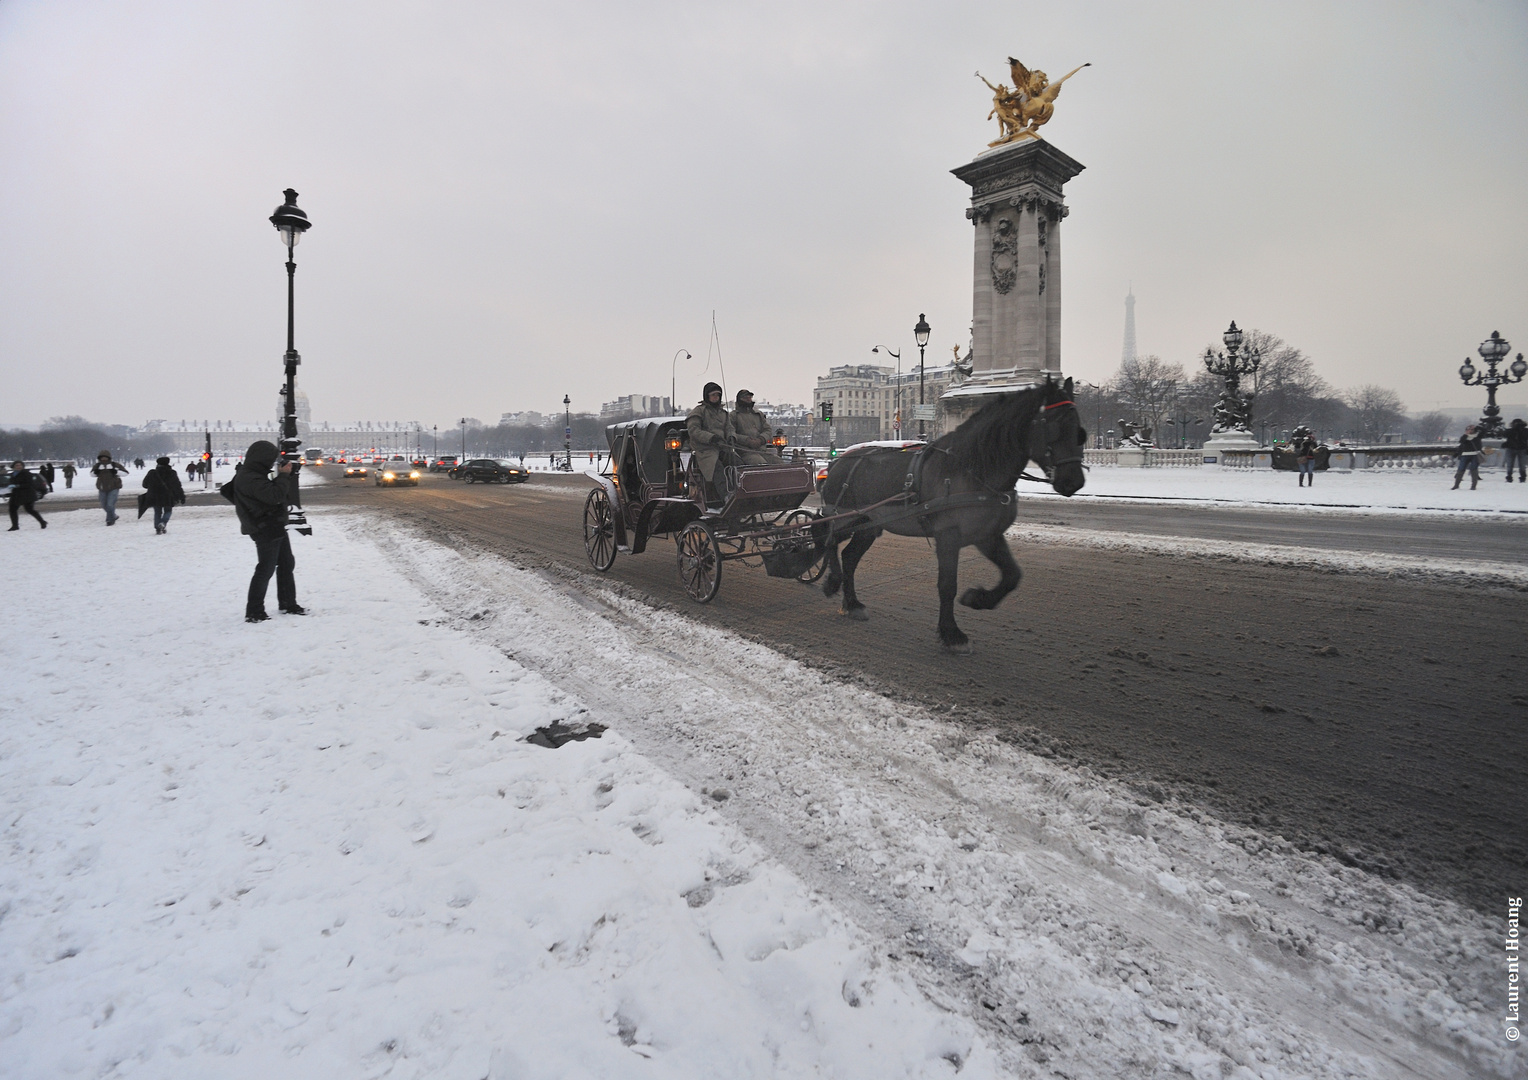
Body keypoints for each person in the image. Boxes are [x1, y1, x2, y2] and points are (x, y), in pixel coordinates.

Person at [231, 440, 303, 622]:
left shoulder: (254, 474)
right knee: (266, 568)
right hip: (264, 527)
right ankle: (254, 611)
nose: (272, 463)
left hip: (273, 524)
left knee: (286, 563)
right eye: (270, 459)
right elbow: (274, 496)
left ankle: (288, 603)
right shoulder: (250, 478)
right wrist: (284, 476)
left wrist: (282, 476)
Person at [686, 381, 735, 505]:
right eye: (713, 395)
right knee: (717, 468)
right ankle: (726, 496)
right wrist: (711, 438)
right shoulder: (698, 412)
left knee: (737, 463)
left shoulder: (723, 413)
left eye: (718, 395)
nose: (716, 398)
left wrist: (731, 437)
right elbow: (694, 431)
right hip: (705, 450)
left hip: (723, 448)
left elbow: (729, 428)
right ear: (707, 396)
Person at [730, 389, 782, 465]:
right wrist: (747, 440)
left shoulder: (758, 414)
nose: (748, 399)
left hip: (761, 450)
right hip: (745, 452)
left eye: (749, 397)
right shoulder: (733, 416)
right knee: (760, 464)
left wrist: (761, 439)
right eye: (745, 397)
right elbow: (731, 433)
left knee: (778, 462)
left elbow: (767, 430)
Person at [142, 455, 186, 534]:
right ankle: (163, 523)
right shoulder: (172, 473)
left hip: (154, 496)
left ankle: (158, 528)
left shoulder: (152, 473)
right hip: (168, 496)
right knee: (168, 511)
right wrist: (182, 496)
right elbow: (177, 486)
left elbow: (144, 485)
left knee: (157, 512)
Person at [91, 451, 129, 525]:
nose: (103, 459)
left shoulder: (114, 465)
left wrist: (116, 472)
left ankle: (109, 520)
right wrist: (96, 472)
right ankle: (113, 515)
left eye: (105, 457)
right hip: (102, 488)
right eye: (102, 457)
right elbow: (92, 474)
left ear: (108, 457)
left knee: (110, 504)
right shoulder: (97, 466)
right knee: (104, 504)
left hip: (114, 487)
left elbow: (126, 473)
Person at [6, 461, 47, 531]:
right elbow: (11, 483)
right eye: (17, 465)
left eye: (20, 465)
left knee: (30, 510)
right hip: (16, 495)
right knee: (12, 510)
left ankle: (42, 522)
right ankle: (15, 526)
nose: (19, 467)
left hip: (27, 495)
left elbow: (29, 484)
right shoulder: (13, 474)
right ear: (13, 467)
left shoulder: (26, 473)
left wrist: (17, 485)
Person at [1452, 425, 1483, 490]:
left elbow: (1484, 430)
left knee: (1474, 469)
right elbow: (1461, 442)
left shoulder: (1478, 436)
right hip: (1465, 454)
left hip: (1475, 454)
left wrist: (1477, 427)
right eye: (1468, 430)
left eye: (1472, 430)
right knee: (1461, 469)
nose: (1470, 431)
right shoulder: (1465, 437)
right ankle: (1456, 485)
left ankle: (1473, 486)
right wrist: (1466, 435)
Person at [1503, 418, 1528, 483]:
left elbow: (1525, 436)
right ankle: (1512, 477)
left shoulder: (1525, 430)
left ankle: (1519, 477)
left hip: (1519, 449)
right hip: (1514, 448)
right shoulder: (1510, 430)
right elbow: (1505, 435)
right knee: (1512, 464)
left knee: (1519, 465)